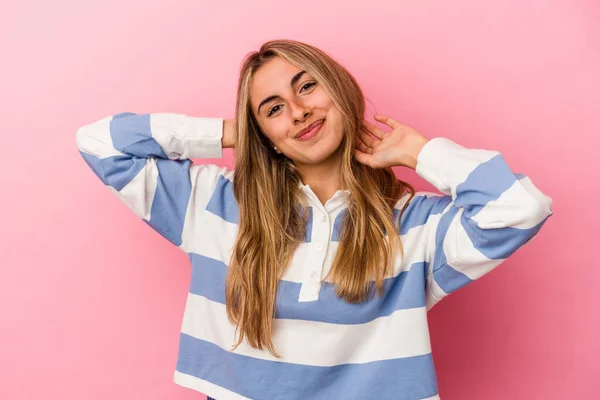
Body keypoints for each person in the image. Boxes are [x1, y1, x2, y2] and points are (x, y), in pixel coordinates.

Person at [75, 39, 553, 400]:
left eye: (307, 86)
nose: (299, 111)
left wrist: (419, 152)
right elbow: (99, 142)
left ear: (338, 89)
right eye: (274, 109)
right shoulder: (213, 204)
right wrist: (230, 132)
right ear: (266, 135)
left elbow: (521, 208)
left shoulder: (415, 226)